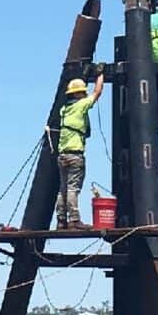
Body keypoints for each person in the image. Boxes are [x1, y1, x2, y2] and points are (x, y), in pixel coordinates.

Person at [54, 71, 104, 229]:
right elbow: (97, 93)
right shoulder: (81, 105)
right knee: (73, 188)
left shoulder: (64, 109)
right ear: (79, 94)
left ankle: (61, 221)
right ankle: (74, 220)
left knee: (63, 188)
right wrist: (100, 75)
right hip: (75, 154)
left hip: (62, 155)